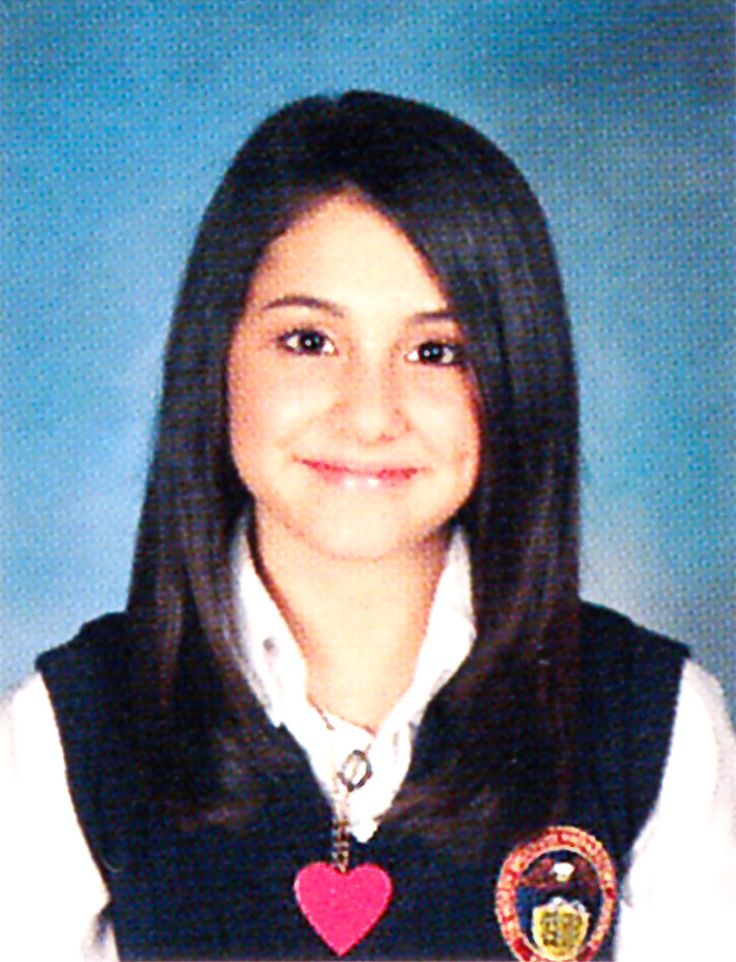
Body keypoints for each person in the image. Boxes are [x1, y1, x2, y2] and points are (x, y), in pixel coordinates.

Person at [1, 91, 734, 962]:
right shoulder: (76, 726)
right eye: (309, 341)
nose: (370, 412)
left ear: (515, 385)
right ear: (219, 355)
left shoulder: (653, 720)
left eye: (437, 353)